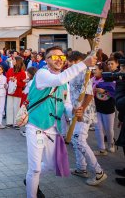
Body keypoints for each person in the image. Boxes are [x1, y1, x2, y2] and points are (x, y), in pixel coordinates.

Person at [25, 46, 97, 198]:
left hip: (53, 129)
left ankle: (30, 179)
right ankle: (32, 188)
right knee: (36, 168)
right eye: (55, 57)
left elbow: (66, 104)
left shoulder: (65, 83)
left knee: (51, 164)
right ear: (47, 60)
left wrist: (73, 111)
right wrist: (84, 63)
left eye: (62, 57)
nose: (59, 60)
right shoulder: (42, 74)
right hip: (36, 126)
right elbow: (58, 79)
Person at [68, 51, 107, 186]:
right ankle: (81, 168)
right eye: (70, 61)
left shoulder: (84, 73)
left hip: (84, 113)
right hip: (76, 112)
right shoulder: (73, 74)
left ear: (79, 61)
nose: (70, 64)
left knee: (80, 140)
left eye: (73, 62)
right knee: (75, 139)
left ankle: (98, 172)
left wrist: (81, 110)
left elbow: (89, 94)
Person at [92, 62, 116, 155]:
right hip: (97, 107)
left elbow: (114, 92)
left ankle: (111, 144)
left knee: (108, 129)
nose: (93, 71)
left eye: (95, 69)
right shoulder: (92, 80)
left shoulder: (109, 79)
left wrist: (104, 91)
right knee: (98, 128)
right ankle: (101, 149)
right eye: (93, 69)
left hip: (108, 108)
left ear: (101, 70)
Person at [6, 56, 26, 128]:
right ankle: (9, 122)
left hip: (17, 92)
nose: (12, 61)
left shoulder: (22, 72)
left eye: (14, 60)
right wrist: (10, 79)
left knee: (16, 107)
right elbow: (6, 79)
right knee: (9, 107)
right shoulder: (10, 70)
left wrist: (16, 82)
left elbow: (23, 84)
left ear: (17, 62)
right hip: (10, 92)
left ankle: (16, 123)